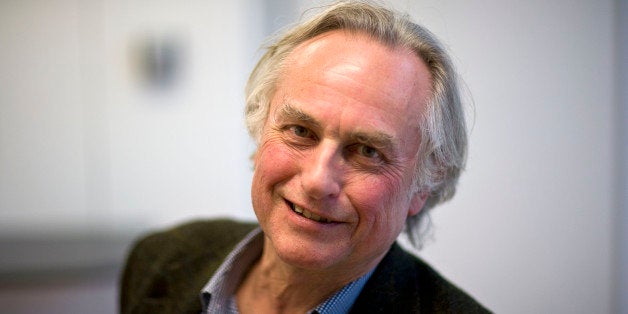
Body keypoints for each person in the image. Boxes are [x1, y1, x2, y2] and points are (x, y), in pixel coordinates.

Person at [120, 1, 490, 313]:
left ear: (424, 185)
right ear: (259, 128)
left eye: (367, 151)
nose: (317, 181)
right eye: (300, 131)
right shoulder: (158, 262)